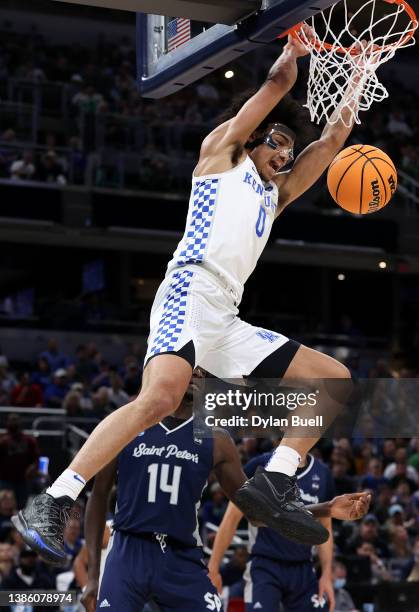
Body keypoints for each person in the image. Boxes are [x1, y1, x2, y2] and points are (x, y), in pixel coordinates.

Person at [14, 33, 365, 561]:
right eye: (277, 144)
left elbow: (331, 143)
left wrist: (358, 75)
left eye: (289, 151)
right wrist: (289, 61)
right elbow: (273, 85)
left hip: (224, 315)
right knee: (158, 399)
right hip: (189, 288)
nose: (285, 155)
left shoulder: (274, 197)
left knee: (333, 380)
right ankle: (55, 498)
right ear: (251, 139)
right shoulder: (220, 157)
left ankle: (274, 481)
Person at [80, 380, 370, 611]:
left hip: (181, 557)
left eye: (203, 372)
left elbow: (257, 512)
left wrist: (327, 509)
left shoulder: (217, 440)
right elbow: (98, 496)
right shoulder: (126, 422)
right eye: (189, 368)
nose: (196, 375)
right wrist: (93, 574)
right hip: (129, 550)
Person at [208, 452, 341, 612]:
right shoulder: (260, 464)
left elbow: (326, 527)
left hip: (303, 567)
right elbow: (231, 519)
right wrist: (213, 568)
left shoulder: (323, 473)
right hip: (265, 565)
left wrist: (326, 574)